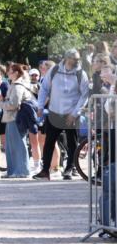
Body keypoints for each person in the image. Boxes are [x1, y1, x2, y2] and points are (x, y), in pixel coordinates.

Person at [34, 49, 89, 180]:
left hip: (71, 114)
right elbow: (44, 88)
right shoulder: (54, 71)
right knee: (49, 143)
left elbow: (84, 95)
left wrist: (75, 113)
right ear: (66, 59)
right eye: (74, 59)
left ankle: (70, 169)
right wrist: (40, 106)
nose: (76, 62)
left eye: (78, 59)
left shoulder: (81, 74)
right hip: (54, 112)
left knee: (72, 143)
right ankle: (45, 171)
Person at [2, 63, 35, 178]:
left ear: (16, 73)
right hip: (12, 118)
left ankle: (22, 171)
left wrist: (0, 103)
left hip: (15, 118)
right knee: (11, 145)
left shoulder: (17, 86)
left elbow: (14, 104)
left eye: (9, 72)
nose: (7, 74)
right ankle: (13, 170)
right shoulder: (15, 84)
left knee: (18, 145)